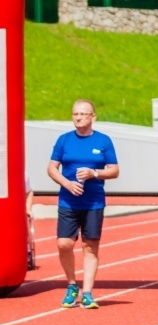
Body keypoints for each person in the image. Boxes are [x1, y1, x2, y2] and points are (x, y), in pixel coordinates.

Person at [47, 99, 119, 309]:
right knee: (64, 244)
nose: (78, 117)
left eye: (83, 114)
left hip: (94, 202)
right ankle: (71, 285)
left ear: (92, 117)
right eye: (75, 114)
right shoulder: (64, 140)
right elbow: (52, 168)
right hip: (68, 201)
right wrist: (67, 184)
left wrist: (94, 173)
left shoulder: (103, 141)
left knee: (90, 246)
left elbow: (114, 170)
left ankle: (87, 293)